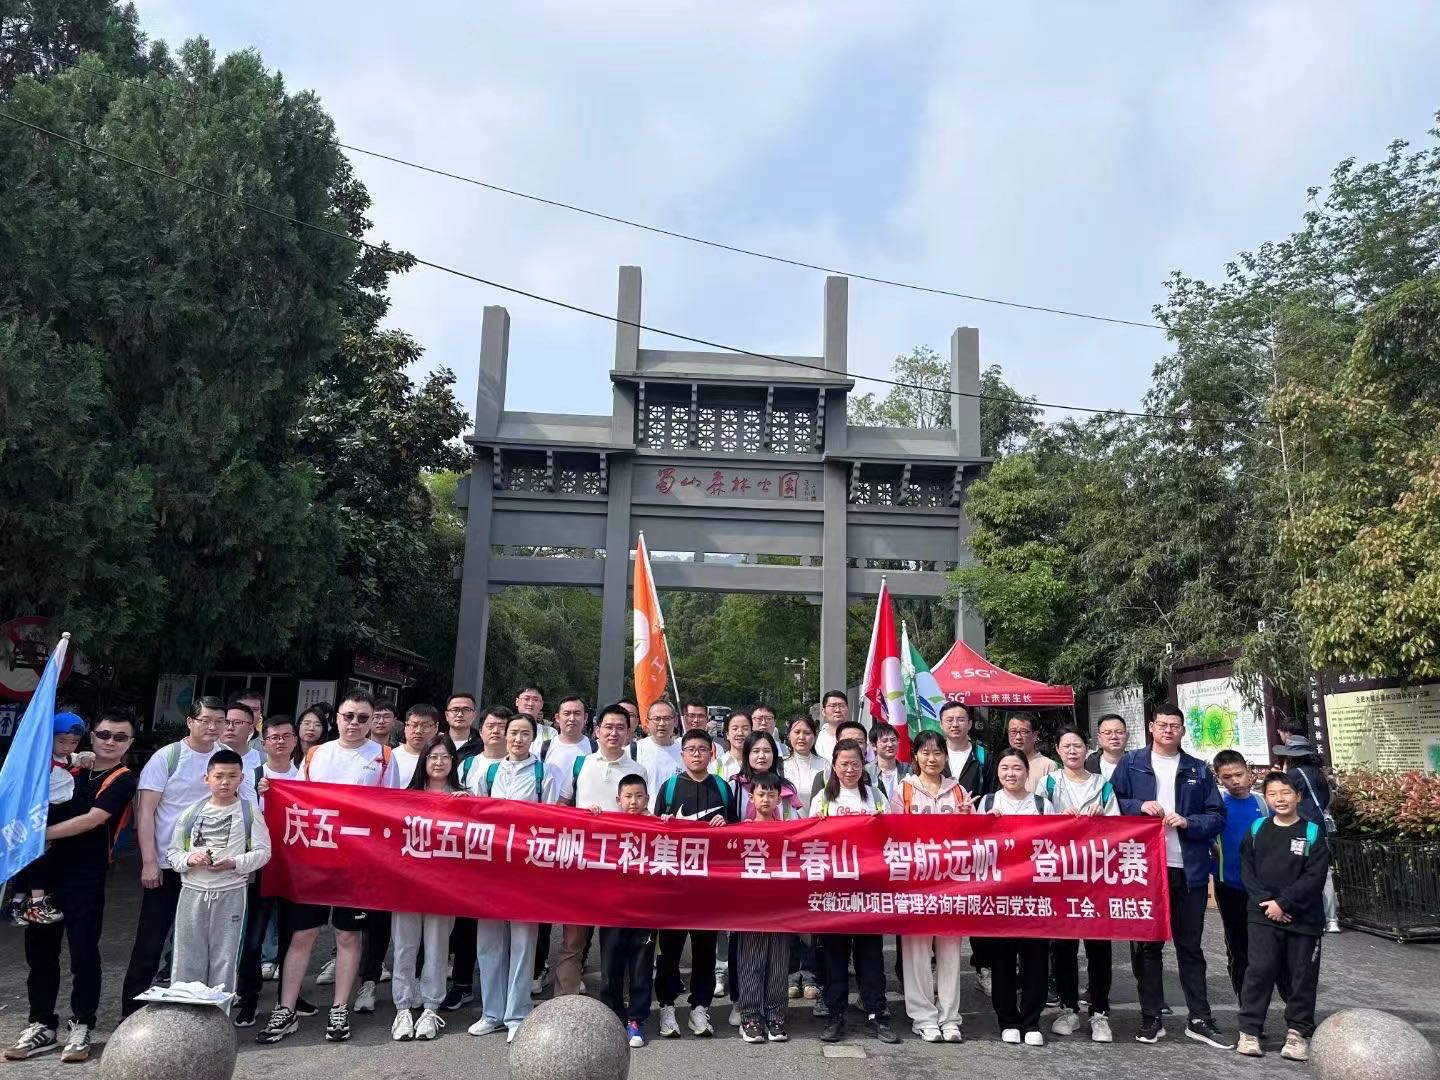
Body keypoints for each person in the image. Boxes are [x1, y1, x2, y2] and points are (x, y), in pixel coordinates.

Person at [256, 690, 398, 1046]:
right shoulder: (316, 754)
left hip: (357, 864)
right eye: (349, 716)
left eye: (363, 718)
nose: (355, 723)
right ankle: (286, 1009)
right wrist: (271, 791)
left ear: (372, 721)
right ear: (337, 717)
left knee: (347, 936)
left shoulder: (383, 757)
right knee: (302, 934)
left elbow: (391, 809)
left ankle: (339, 1008)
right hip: (315, 860)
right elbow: (298, 802)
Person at [6, 708, 137, 1063]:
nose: (110, 742)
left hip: (84, 876)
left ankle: (82, 1023)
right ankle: (41, 1024)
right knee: (40, 952)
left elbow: (93, 819)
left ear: (129, 743)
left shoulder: (123, 779)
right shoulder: (65, 765)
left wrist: (38, 835)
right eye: (104, 734)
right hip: (43, 875)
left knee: (83, 951)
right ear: (91, 736)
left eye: (120, 737)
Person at [121, 696, 256, 1017]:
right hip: (169, 865)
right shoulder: (168, 758)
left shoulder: (227, 759)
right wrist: (149, 862)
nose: (213, 727)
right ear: (190, 722)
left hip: (211, 871)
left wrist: (246, 859)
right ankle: (131, 1012)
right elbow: (145, 812)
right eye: (205, 720)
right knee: (151, 940)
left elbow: (246, 810)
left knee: (205, 944)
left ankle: (202, 1013)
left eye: (220, 721)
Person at [1112, 704, 1230, 1049]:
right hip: (1145, 869)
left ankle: (1200, 1018)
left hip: (1189, 868)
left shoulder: (1197, 768)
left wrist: (1189, 822)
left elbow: (1217, 815)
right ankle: (1151, 1017)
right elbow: (1111, 802)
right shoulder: (1131, 763)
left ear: (1182, 730)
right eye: (1162, 725)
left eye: (1174, 726)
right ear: (1151, 727)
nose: (1168, 730)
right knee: (1148, 947)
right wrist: (1138, 806)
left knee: (1190, 947)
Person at [468, 713, 562, 1043]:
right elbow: (475, 815)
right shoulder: (488, 771)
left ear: (533, 738)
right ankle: (491, 1012)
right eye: (513, 732)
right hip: (492, 869)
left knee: (523, 943)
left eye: (524, 733)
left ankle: (517, 1013)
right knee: (489, 941)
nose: (517, 739)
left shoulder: (545, 773)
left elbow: (552, 820)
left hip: (526, 870)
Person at [1237, 772, 1331, 1062]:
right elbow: (1247, 869)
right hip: (1262, 915)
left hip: (1304, 919)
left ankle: (1298, 1033)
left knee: (1301, 976)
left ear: (1298, 796)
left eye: (1286, 792)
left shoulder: (1313, 832)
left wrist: (1284, 903)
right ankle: (1249, 1031)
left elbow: (1314, 877)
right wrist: (1267, 903)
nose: (1280, 799)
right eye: (1273, 793)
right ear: (1266, 798)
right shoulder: (1257, 829)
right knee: (1260, 970)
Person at [811, 739, 897, 1045]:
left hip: (869, 890)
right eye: (844, 764)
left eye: (855, 763)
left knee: (870, 955)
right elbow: (811, 841)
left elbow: (892, 836)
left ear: (864, 765)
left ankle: (876, 1014)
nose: (850, 769)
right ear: (834, 766)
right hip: (834, 890)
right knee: (834, 956)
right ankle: (835, 1014)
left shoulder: (875, 796)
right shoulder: (823, 798)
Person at [555, 705, 644, 997]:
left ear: (629, 733)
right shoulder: (581, 765)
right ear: (597, 731)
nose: (614, 733)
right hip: (583, 864)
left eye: (620, 727)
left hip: (621, 867)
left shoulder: (638, 770)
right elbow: (561, 807)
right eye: (608, 727)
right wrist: (581, 815)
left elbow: (645, 816)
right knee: (573, 941)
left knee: (617, 941)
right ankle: (564, 1002)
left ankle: (615, 1003)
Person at [889, 729, 971, 1043]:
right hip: (916, 882)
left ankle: (950, 1017)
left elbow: (975, 839)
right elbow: (893, 834)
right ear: (916, 757)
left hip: (951, 883)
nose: (932, 759)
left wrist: (967, 818)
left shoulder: (958, 791)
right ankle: (923, 1017)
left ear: (945, 757)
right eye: (925, 752)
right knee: (916, 952)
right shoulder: (904, 790)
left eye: (937, 753)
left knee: (950, 950)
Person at [652, 728, 735, 1038]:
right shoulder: (670, 788)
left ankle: (700, 1007)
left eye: (703, 749)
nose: (697, 754)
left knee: (705, 951)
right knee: (669, 951)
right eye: (691, 749)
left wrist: (727, 825)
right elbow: (653, 834)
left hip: (709, 886)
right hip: (674, 886)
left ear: (712, 754)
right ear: (682, 754)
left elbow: (737, 836)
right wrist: (663, 824)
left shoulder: (722, 788)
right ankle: (667, 1008)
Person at [167, 749, 271, 993]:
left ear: (241, 779)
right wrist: (190, 858)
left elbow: (264, 852)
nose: (225, 782)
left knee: (226, 956)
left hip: (231, 892)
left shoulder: (249, 812)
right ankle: (186, 1007)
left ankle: (219, 1009)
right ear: (207, 779)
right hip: (192, 891)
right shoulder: (191, 813)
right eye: (219, 776)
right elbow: (173, 853)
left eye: (232, 776)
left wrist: (234, 862)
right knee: (187, 955)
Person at [1040, 727, 1119, 1043]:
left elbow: (1121, 831)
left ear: (1088, 749)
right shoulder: (1049, 784)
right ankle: (1068, 1008)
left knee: (1099, 946)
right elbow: (1037, 825)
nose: (1072, 751)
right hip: (1061, 875)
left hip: (1096, 876)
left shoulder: (1103, 785)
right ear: (1058, 750)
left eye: (1078, 745)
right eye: (1066, 746)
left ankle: (1100, 1012)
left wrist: (1103, 820)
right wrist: (1058, 818)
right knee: (1064, 946)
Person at [391, 734, 464, 1042]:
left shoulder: (463, 798)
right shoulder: (407, 797)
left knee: (437, 948)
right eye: (433, 757)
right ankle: (403, 1007)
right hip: (407, 886)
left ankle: (431, 1007)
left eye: (445, 757)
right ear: (424, 761)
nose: (438, 762)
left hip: (442, 888)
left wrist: (467, 807)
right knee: (404, 947)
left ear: (453, 762)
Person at [979, 747, 1051, 1046]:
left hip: (1035, 894)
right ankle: (1007, 1019)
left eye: (1017, 768)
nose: (1011, 774)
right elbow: (975, 848)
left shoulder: (1042, 804)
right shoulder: (987, 803)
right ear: (998, 772)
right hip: (1000, 895)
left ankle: (1031, 1021)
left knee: (1036, 959)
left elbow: (1056, 842)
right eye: (1005, 768)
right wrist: (986, 824)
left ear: (1027, 772)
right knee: (1002, 960)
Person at [441, 704, 510, 1012]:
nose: (497, 732)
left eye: (503, 727)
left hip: (506, 855)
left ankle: (503, 988)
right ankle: (462, 984)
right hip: (470, 852)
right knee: (466, 921)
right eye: (491, 726)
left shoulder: (519, 765)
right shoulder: (467, 764)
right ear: (480, 731)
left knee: (503, 924)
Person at [234, 715, 300, 1027]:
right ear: (264, 742)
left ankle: (290, 997)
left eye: (286, 736)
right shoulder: (251, 777)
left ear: (295, 741)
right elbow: (244, 820)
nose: (280, 742)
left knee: (292, 935)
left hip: (294, 867)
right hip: (260, 866)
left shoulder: (305, 776)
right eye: (274, 737)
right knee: (253, 936)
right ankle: (248, 996)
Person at [6, 711, 85, 926]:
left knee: (32, 858)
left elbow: (74, 759)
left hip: (59, 812)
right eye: (62, 741)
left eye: (74, 742)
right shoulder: (40, 760)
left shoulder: (66, 757)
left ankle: (17, 904)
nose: (67, 747)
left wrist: (82, 758)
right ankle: (36, 904)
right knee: (37, 857)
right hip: (41, 813)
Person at [596, 773, 658, 1049]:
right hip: (612, 909)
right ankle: (612, 1017)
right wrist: (591, 817)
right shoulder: (608, 826)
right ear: (618, 799)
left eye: (639, 796)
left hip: (646, 910)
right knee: (611, 967)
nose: (634, 802)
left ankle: (635, 1019)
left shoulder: (657, 827)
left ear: (647, 798)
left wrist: (665, 823)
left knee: (641, 967)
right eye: (628, 796)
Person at [734, 772, 793, 1044]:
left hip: (781, 908)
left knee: (779, 965)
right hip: (751, 909)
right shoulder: (742, 830)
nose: (766, 799)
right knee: (751, 963)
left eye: (771, 794)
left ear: (779, 798)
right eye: (761, 794)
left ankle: (776, 1015)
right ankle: (750, 1016)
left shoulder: (790, 831)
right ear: (751, 797)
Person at [1272, 726, 1340, 933]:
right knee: (1323, 872)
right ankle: (1332, 918)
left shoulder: (1293, 775)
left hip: (1300, 827)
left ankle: (1307, 914)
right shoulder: (1319, 774)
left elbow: (1283, 800)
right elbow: (1328, 799)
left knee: (1299, 870)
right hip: (1320, 827)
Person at [1213, 749, 1268, 1001]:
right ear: (1218, 777)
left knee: (1265, 945)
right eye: (1227, 777)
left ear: (1248, 772)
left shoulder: (1264, 803)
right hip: (1230, 886)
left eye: (1238, 774)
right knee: (1237, 945)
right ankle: (1245, 1001)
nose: (1235, 781)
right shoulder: (1217, 807)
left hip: (1264, 887)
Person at [733, 731, 801, 820]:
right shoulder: (735, 786)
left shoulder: (785, 789)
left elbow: (794, 821)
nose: (762, 756)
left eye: (767, 751)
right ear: (747, 754)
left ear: (774, 755)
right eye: (756, 751)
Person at [939, 702, 987, 801]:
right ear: (941, 724)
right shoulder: (934, 755)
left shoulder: (982, 756)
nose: (955, 724)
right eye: (949, 720)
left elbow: (990, 792)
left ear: (969, 724)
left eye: (960, 720)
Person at [1005, 713, 1056, 793]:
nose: (1018, 737)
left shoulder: (1048, 766)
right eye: (1013, 731)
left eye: (1023, 732)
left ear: (1035, 735)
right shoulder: (1003, 764)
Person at [393, 704, 440, 787]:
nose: (418, 731)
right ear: (406, 726)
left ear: (436, 727)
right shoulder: (392, 757)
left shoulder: (441, 759)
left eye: (425, 726)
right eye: (414, 725)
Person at [634, 700, 682, 780]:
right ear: (647, 722)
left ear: (675, 721)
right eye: (657, 719)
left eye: (667, 718)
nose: (662, 723)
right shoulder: (636, 750)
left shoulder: (685, 750)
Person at [867, 723, 908, 801]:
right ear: (873, 746)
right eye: (884, 741)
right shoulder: (866, 772)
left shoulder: (908, 770)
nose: (890, 744)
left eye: (893, 740)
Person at [1086, 713, 1129, 781]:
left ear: (1127, 736)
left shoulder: (1139, 764)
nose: (1114, 737)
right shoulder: (1088, 766)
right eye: (1108, 733)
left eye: (1119, 732)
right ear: (1099, 738)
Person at [714, 711, 752, 779]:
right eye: (735, 729)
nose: (740, 733)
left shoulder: (758, 764)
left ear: (751, 733)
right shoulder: (717, 766)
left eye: (745, 729)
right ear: (727, 735)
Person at [444, 693, 481, 764]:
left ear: (474, 715)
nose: (460, 714)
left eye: (466, 710)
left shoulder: (482, 746)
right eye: (455, 710)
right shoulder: (436, 743)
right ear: (447, 715)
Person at [814, 690, 849, 760]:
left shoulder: (857, 733)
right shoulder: (819, 738)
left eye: (842, 706)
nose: (838, 710)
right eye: (833, 706)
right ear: (823, 711)